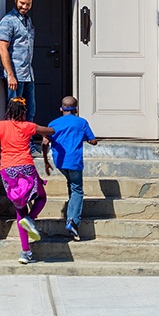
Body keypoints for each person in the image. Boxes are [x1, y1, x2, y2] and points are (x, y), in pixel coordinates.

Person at [0, 95, 54, 264]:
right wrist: (49, 131)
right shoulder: (28, 126)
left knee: (20, 209)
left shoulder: (0, 125)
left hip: (7, 170)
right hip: (26, 167)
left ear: (9, 111)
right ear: (23, 112)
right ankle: (31, 219)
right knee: (41, 197)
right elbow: (50, 131)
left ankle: (25, 252)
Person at [47, 95, 97, 240]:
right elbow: (92, 141)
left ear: (61, 108)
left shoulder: (53, 123)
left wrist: (45, 159)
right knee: (77, 189)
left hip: (60, 162)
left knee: (71, 184)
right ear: (76, 109)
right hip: (75, 161)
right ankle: (73, 221)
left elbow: (45, 141)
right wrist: (91, 140)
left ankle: (71, 213)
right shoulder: (81, 122)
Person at [0, 0, 37, 120]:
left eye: (28, 4)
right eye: (22, 3)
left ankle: (29, 141)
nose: (25, 7)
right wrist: (10, 75)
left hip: (28, 74)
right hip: (15, 76)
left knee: (30, 111)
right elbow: (3, 48)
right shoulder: (8, 21)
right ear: (15, 0)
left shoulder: (28, 20)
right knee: (15, 112)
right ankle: (13, 141)